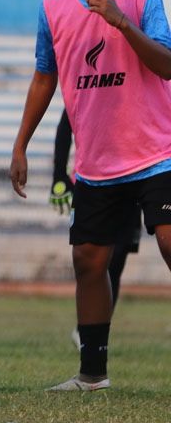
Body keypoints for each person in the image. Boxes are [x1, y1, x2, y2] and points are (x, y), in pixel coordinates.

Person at [10, 0, 171, 391]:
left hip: (156, 153)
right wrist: (21, 145)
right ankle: (92, 376)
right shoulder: (52, 6)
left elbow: (166, 64)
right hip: (97, 165)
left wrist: (121, 21)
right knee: (89, 262)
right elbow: (44, 76)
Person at [49, 108, 143, 349]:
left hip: (134, 178)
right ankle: (88, 335)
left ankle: (96, 336)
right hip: (91, 182)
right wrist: (59, 174)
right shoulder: (89, 83)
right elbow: (65, 125)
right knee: (91, 260)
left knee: (117, 260)